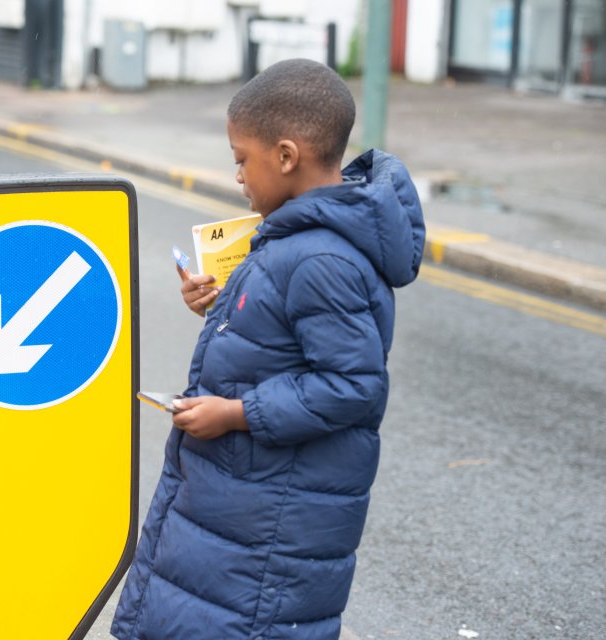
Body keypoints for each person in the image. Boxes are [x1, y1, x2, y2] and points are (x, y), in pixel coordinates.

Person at [111, 59, 426, 640]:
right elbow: (287, 337)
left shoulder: (320, 257)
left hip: (267, 525)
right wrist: (222, 306)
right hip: (245, 508)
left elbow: (352, 385)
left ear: (285, 156)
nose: (237, 177)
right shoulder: (295, 235)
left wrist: (235, 412)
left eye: (240, 159)